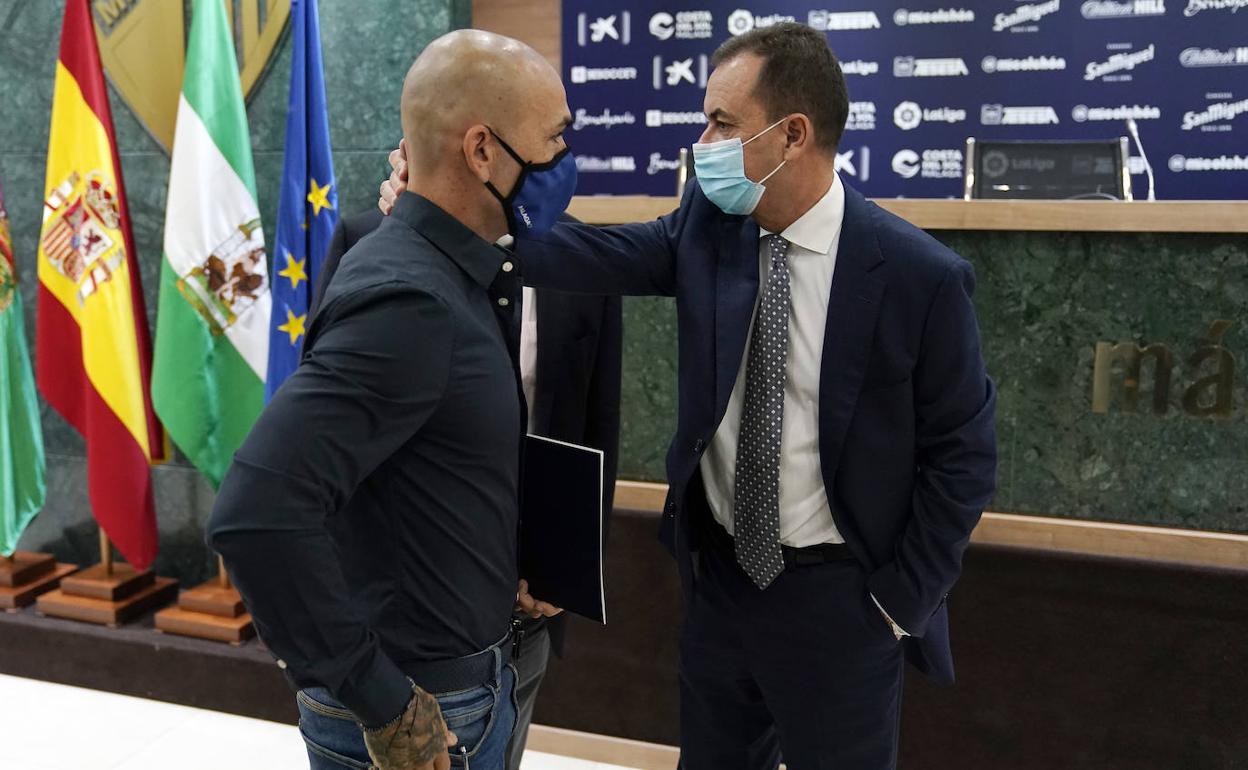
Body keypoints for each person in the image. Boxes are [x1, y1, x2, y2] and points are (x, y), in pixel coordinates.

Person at [382, 21, 997, 770]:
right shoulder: (713, 223)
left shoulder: (918, 277)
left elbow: (964, 456)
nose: (703, 143)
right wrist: (451, 216)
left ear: (793, 134)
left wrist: (896, 605)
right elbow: (602, 254)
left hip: (844, 602)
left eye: (723, 123)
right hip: (721, 588)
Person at [208, 29, 577, 770]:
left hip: (472, 675)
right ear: (482, 151)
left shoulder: (451, 271)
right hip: (430, 706)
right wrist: (382, 700)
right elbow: (256, 511)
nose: (565, 159)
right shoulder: (412, 300)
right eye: (554, 139)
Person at [311, 207, 623, 770]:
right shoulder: (370, 240)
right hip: (409, 611)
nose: (556, 165)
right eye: (547, 151)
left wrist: (565, 572)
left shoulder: (579, 250)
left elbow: (594, 422)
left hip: (528, 606)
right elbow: (326, 448)